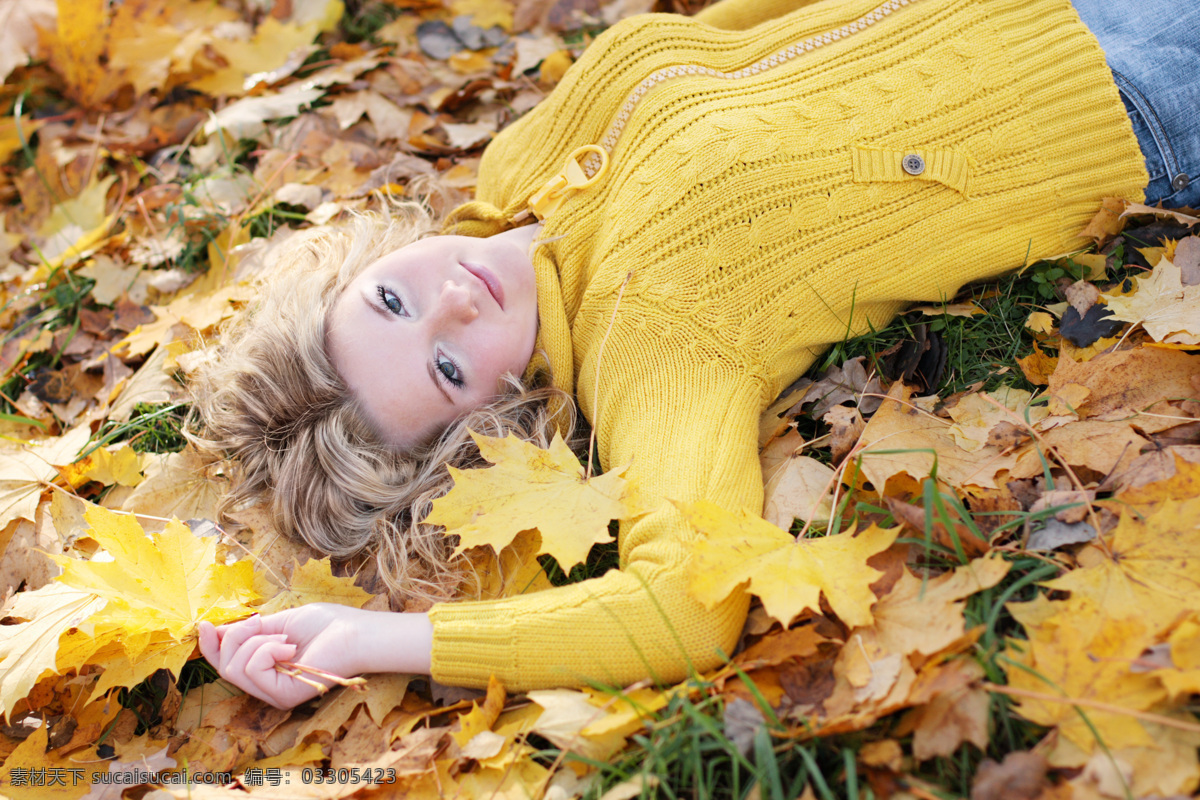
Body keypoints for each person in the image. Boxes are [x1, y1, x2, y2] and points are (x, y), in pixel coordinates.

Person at [194, 0, 1198, 709]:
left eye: (395, 298)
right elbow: (684, 610)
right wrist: (384, 640)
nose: (454, 299)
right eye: (449, 366)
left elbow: (723, 34)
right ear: (490, 422)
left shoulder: (519, 175)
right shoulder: (650, 347)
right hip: (1132, 96)